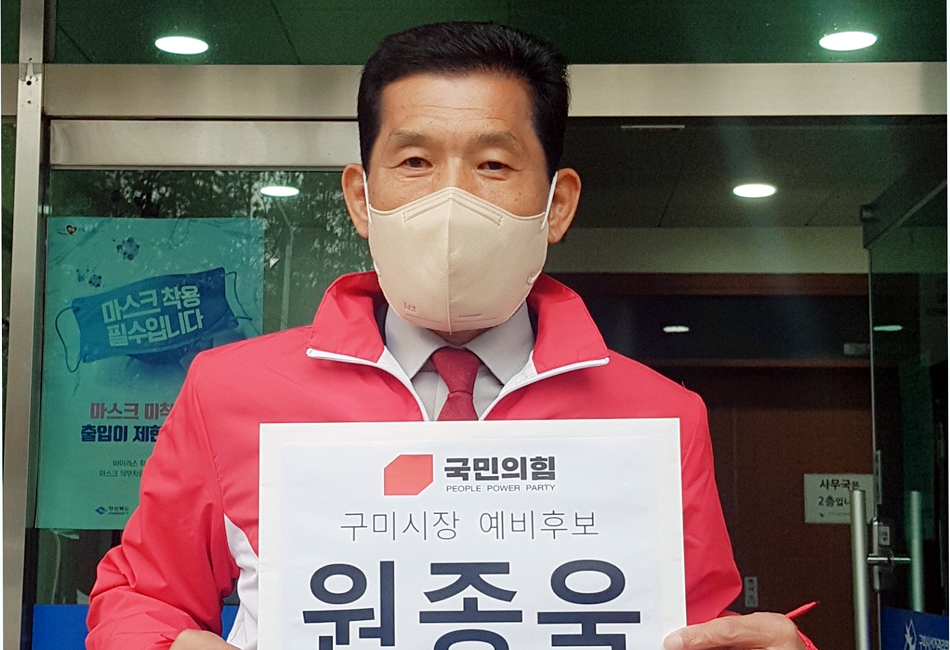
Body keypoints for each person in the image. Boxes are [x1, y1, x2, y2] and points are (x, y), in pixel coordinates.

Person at [86, 21, 815, 650]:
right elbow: (142, 594)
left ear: (557, 204)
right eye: (414, 162)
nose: (451, 199)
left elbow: (701, 625)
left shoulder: (659, 415)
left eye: (494, 164)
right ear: (360, 198)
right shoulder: (230, 391)